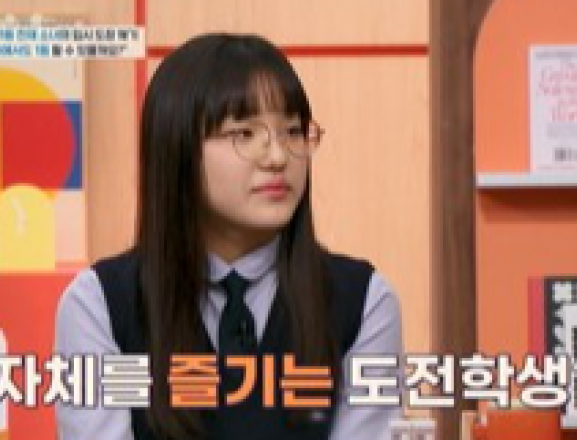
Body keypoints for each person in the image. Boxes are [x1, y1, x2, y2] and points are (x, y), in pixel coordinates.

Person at [55, 32, 403, 440]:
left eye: (293, 131)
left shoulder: (363, 302)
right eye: (244, 134)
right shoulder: (99, 305)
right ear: (178, 148)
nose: (278, 157)